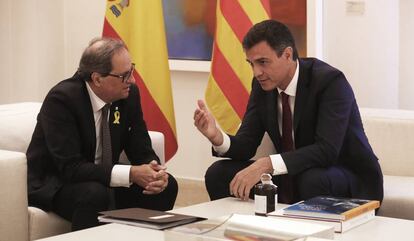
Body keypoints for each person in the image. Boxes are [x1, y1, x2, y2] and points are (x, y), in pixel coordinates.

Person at [194, 20, 383, 204]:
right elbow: (246, 145)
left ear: (287, 54)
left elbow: (327, 151)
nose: (256, 72)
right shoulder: (262, 87)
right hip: (294, 173)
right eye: (251, 64)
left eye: (263, 62)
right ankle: (243, 232)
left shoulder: (329, 82)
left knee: (312, 179)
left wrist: (266, 163)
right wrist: (217, 137)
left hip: (345, 174)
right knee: (218, 173)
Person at [27, 37, 178, 231]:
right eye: (124, 75)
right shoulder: (62, 100)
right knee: (94, 193)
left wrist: (155, 171)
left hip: (102, 179)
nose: (131, 80)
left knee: (167, 187)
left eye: (131, 70)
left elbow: (140, 147)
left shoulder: (128, 95)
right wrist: (131, 174)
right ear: (97, 79)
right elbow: (71, 168)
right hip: (58, 184)